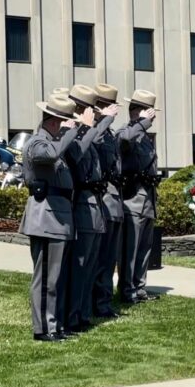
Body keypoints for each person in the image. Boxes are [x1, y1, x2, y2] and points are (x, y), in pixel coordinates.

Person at [19, 92, 80, 342]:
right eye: (65, 122)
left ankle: (53, 324)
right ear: (55, 121)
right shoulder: (37, 142)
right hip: (45, 219)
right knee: (45, 279)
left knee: (54, 278)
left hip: (57, 218)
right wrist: (70, 132)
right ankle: (43, 328)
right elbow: (48, 155)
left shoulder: (54, 142)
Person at [64, 85, 117, 333]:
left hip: (96, 204)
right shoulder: (73, 132)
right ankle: (74, 317)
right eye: (88, 110)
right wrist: (89, 126)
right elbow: (75, 155)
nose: (92, 114)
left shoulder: (91, 134)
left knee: (91, 264)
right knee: (80, 265)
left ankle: (83, 313)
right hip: (83, 203)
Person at [117, 89, 160, 304]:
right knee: (130, 248)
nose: (153, 116)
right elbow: (124, 139)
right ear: (137, 112)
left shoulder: (144, 137)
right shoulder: (128, 131)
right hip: (133, 197)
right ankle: (127, 290)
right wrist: (142, 123)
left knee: (144, 247)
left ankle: (139, 287)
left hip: (147, 196)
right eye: (149, 112)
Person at [92, 84, 124, 318]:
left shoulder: (108, 131)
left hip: (113, 197)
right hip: (102, 199)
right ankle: (99, 303)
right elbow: (92, 142)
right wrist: (104, 120)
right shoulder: (96, 129)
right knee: (101, 257)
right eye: (109, 106)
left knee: (108, 256)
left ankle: (103, 300)